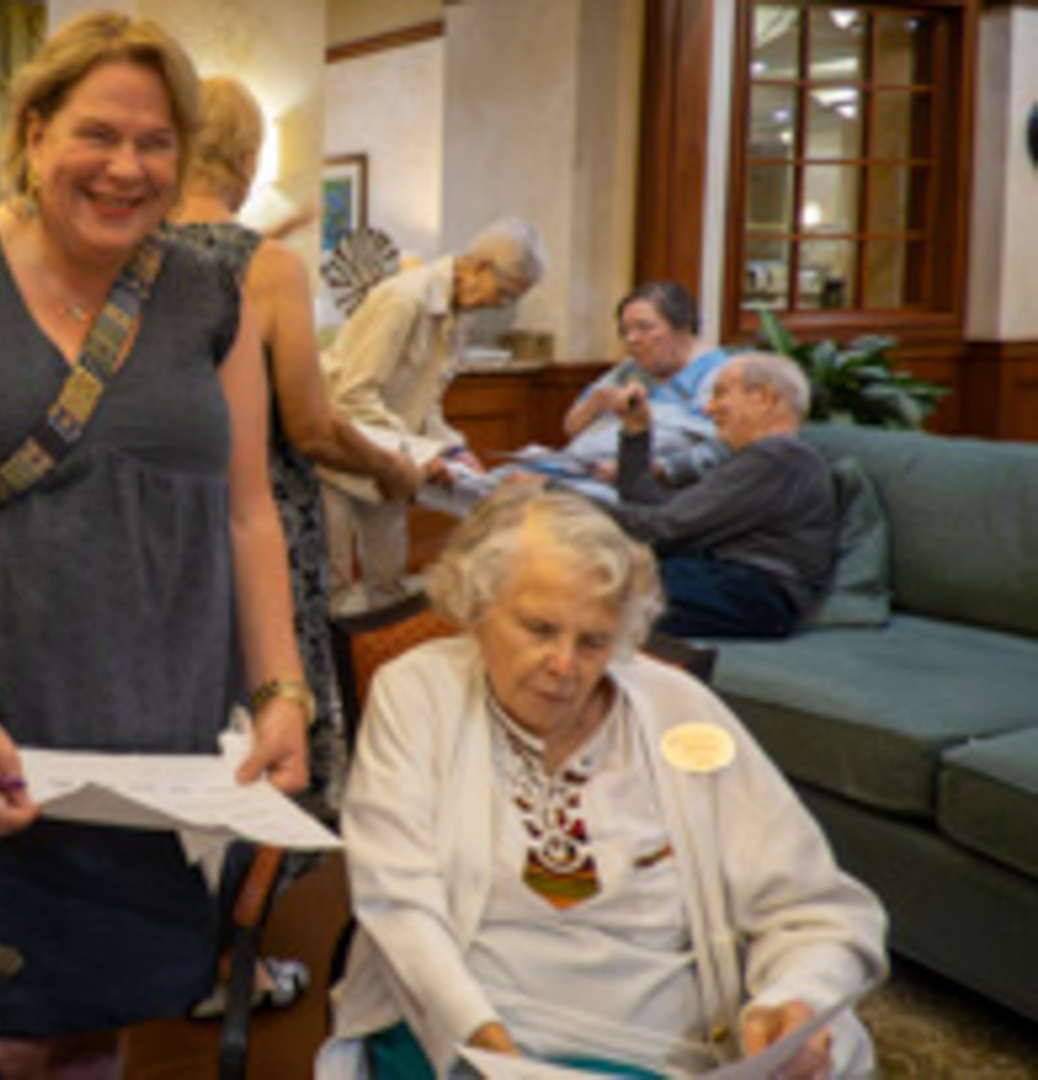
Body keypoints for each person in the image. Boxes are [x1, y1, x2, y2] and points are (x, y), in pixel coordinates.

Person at [0, 12, 311, 1078]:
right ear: (35, 130)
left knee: (105, 1006)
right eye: (97, 134)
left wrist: (283, 687)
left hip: (159, 725)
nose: (127, 167)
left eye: (155, 144)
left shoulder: (207, 295)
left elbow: (248, 511)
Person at [320, 485, 886, 1079]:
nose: (565, 665)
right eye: (539, 628)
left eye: (593, 641)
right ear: (476, 605)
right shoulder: (418, 693)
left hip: (663, 1051)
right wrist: (494, 1055)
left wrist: (792, 997)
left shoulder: (679, 709)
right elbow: (398, 902)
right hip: (467, 1032)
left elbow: (810, 905)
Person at [173, 73, 420, 809]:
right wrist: (388, 467)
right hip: (258, 512)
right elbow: (310, 428)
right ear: (247, 160)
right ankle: (267, 876)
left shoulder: (125, 252)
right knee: (266, 688)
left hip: (155, 512)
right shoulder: (265, 268)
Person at [320, 218, 546, 614]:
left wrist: (454, 449)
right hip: (336, 454)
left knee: (387, 583)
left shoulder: (460, 314)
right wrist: (424, 454)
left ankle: (378, 659)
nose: (504, 306)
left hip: (391, 457)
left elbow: (427, 402)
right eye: (506, 293)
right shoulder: (404, 300)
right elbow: (353, 395)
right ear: (478, 266)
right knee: (332, 588)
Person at [606, 351, 834, 638]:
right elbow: (652, 511)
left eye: (720, 394)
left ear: (764, 397)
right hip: (715, 577)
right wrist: (637, 432)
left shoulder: (780, 457)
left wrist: (564, 500)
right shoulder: (751, 460)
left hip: (752, 592)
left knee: (592, 588)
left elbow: (664, 527)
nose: (708, 409)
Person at [560, 281, 729, 488]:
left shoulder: (720, 375)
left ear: (683, 328)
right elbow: (571, 427)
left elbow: (720, 449)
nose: (632, 339)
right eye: (625, 331)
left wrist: (640, 469)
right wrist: (595, 404)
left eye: (644, 328)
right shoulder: (629, 370)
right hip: (580, 468)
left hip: (649, 486)